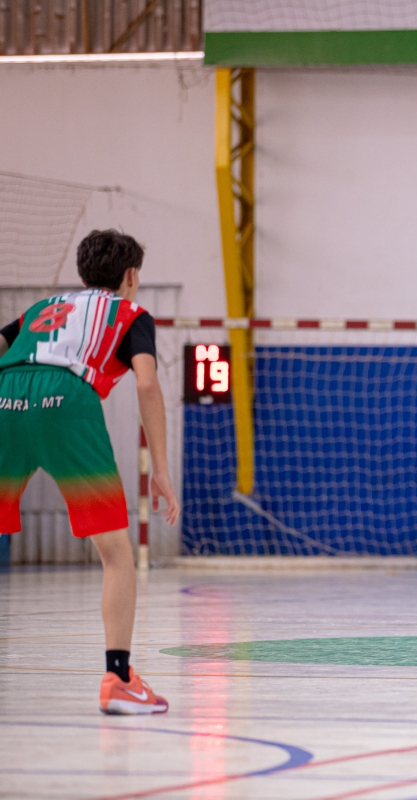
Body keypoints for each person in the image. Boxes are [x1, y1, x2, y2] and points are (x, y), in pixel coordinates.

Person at [0, 229, 180, 714]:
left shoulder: (41, 309)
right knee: (116, 552)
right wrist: (160, 468)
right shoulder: (131, 314)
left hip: (5, 393)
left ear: (82, 275)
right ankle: (118, 679)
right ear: (131, 275)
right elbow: (146, 384)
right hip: (68, 400)